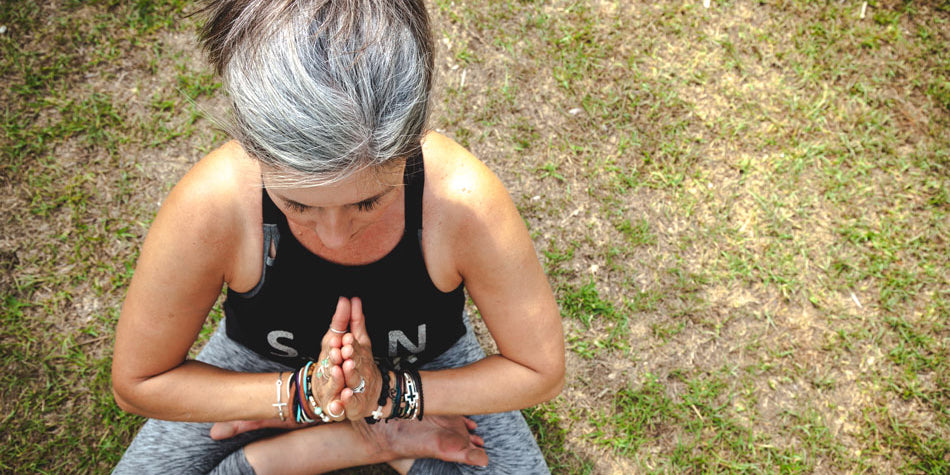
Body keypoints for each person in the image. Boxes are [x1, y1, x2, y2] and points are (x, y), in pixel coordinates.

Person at [110, 1, 564, 474]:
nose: (333, 236)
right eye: (298, 204)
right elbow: (139, 381)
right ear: (253, 151)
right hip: (258, 363)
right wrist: (300, 396)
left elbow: (540, 370)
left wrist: (391, 394)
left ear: (411, 147)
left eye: (367, 202)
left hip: (428, 367)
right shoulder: (214, 204)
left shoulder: (462, 201)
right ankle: (364, 444)